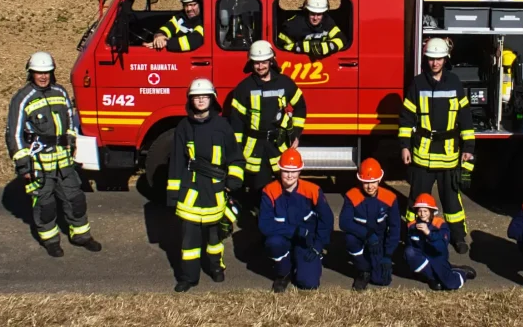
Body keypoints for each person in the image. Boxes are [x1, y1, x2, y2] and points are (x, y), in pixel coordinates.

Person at [6, 51, 101, 257]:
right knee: (45, 204)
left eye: (47, 72)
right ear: (30, 73)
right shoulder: (22, 99)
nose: (43, 76)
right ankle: (50, 240)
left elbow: (70, 121)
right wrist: (24, 166)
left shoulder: (60, 92)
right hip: (39, 162)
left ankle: (81, 235)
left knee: (75, 198)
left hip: (64, 159)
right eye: (38, 73)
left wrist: (73, 142)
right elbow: (13, 135)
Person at [166, 79, 245, 292]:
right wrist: (174, 194)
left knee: (214, 238)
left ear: (212, 99)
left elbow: (236, 158)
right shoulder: (184, 126)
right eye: (197, 97)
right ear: (191, 100)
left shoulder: (223, 127)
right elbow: (176, 162)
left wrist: (233, 181)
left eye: (205, 96)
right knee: (189, 240)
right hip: (191, 191)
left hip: (216, 190)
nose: (201, 100)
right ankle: (188, 277)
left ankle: (216, 268)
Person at [398, 37, 475, 254]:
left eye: (439, 59)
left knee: (452, 200)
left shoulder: (455, 83)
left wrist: (468, 148)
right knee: (416, 199)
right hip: (422, 154)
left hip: (449, 153)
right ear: (426, 59)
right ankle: (412, 233)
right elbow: (406, 118)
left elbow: (466, 120)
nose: (435, 63)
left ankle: (458, 237)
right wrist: (404, 146)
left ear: (445, 59)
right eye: (431, 59)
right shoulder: (417, 84)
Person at [229, 40, 308, 203]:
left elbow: (300, 107)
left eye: (264, 62)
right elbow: (236, 120)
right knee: (261, 187)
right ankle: (263, 219)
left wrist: (296, 135)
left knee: (286, 184)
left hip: (279, 144)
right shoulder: (244, 88)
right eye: (256, 63)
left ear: (271, 61)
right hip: (256, 145)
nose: (260, 67)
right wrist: (236, 147)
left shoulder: (285, 83)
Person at [258, 148, 334, 292]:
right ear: (280, 170)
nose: (289, 175)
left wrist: (318, 245)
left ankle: (303, 262)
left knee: (309, 284)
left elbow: (327, 220)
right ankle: (283, 272)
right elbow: (264, 224)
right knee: (273, 243)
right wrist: (294, 231)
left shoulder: (313, 190)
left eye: (293, 171)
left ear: (300, 171)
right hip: (283, 238)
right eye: (286, 171)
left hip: (306, 241)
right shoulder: (269, 191)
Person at [339, 158, 401, 291]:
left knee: (382, 281)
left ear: (379, 180)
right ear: (360, 181)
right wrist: (366, 234)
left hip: (378, 242)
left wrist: (388, 255)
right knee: (350, 239)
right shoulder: (351, 196)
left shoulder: (390, 198)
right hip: (361, 238)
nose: (369, 186)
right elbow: (344, 222)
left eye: (373, 182)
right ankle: (363, 270)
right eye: (366, 182)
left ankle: (374, 263)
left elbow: (395, 228)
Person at [404, 193, 477, 291]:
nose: (422, 214)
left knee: (450, 284)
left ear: (431, 211)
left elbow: (442, 246)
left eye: (425, 211)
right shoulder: (412, 225)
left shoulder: (440, 224)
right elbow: (410, 245)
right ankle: (431, 277)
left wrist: (428, 233)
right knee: (409, 252)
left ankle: (461, 273)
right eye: (420, 211)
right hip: (422, 258)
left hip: (437, 258)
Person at [276, 0, 348, 58]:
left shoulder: (328, 22)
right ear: (307, 12)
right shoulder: (294, 25)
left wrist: (324, 48)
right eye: (312, 14)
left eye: (319, 14)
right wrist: (306, 47)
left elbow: (341, 39)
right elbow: (282, 45)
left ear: (324, 13)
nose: (315, 18)